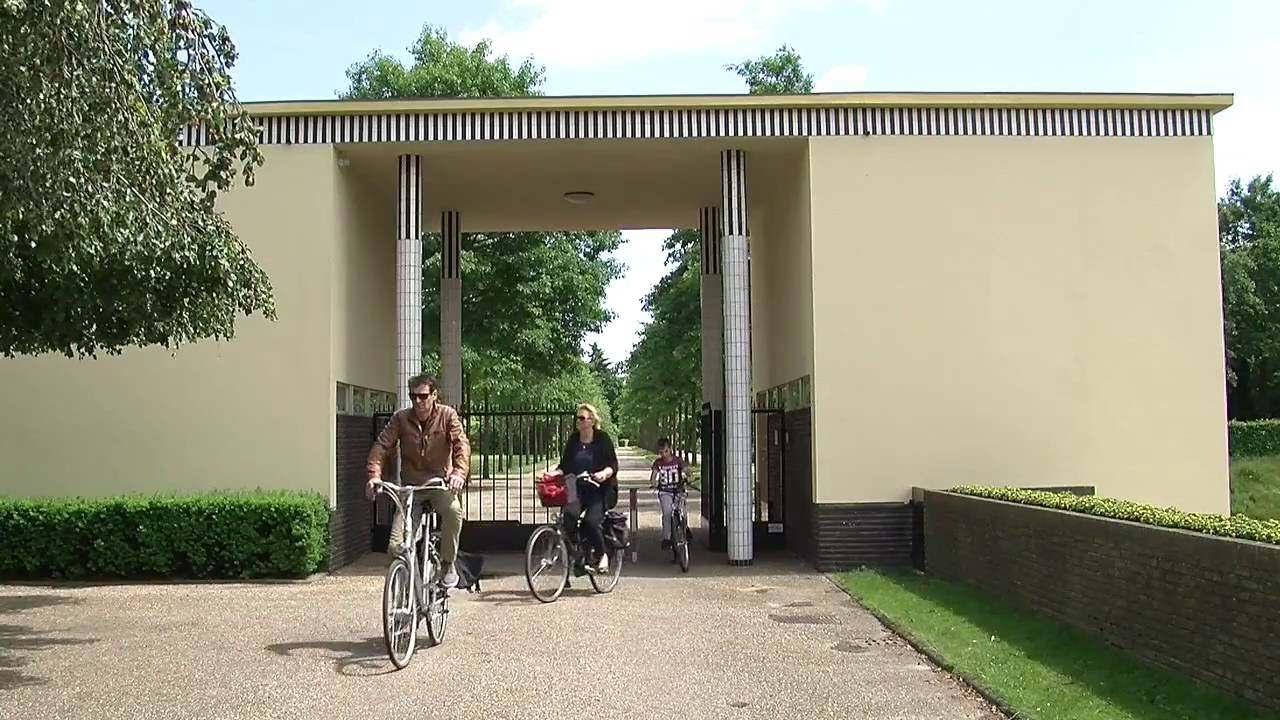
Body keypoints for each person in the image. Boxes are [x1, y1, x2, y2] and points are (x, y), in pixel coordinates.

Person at [365, 374, 470, 588]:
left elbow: (461, 445)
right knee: (396, 546)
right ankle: (406, 590)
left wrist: (458, 473)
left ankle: (448, 562)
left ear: (434, 395)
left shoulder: (447, 415)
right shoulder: (400, 418)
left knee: (453, 511)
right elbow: (382, 446)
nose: (418, 402)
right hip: (411, 488)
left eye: (423, 396)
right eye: (413, 397)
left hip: (438, 484)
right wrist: (374, 476)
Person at [546, 403, 619, 574]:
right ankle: (577, 557)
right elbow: (565, 465)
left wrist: (604, 474)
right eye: (577, 418)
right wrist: (552, 474)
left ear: (592, 421)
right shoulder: (574, 439)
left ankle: (602, 555)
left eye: (582, 418)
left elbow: (613, 465)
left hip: (601, 490)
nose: (578, 422)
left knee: (591, 522)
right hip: (579, 488)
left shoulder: (602, 439)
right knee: (568, 518)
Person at [649, 437, 690, 551]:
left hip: (678, 490)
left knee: (682, 511)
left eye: (666, 451)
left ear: (670, 449)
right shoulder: (658, 463)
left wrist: (684, 473)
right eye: (661, 452)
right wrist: (654, 483)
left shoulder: (678, 460)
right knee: (667, 513)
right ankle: (666, 538)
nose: (664, 454)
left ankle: (685, 528)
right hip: (665, 492)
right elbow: (653, 477)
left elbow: (686, 469)